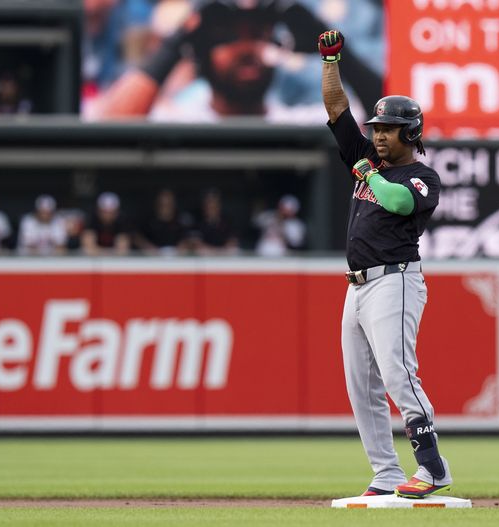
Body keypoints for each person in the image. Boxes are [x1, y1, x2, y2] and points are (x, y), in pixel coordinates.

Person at [319, 30, 452, 499]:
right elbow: (336, 110)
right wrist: (331, 62)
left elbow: (396, 202)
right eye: (375, 127)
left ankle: (432, 467)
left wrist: (368, 171)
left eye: (387, 129)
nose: (377, 134)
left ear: (410, 134)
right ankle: (386, 474)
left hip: (395, 281)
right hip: (356, 286)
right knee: (361, 385)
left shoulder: (422, 175)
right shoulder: (366, 159)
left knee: (397, 373)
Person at [86, 0, 383, 123]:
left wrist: (332, 46)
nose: (246, 48)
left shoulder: (308, 124)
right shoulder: (178, 121)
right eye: (228, 37)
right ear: (201, 47)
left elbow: (393, 126)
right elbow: (109, 132)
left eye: (257, 34)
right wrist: (178, 42)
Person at [135, 189, 191, 255]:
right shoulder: (148, 220)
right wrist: (147, 247)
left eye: (168, 204)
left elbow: (192, 237)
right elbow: (136, 236)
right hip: (153, 258)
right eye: (162, 204)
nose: (165, 207)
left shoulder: (182, 219)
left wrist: (185, 244)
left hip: (179, 258)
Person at [189, 189, 239, 255]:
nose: (211, 206)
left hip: (224, 261)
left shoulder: (228, 223)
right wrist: (219, 251)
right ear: (204, 206)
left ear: (219, 205)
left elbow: (232, 244)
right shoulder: (196, 223)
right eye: (208, 203)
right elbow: (196, 245)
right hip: (202, 262)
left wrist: (214, 251)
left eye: (214, 202)